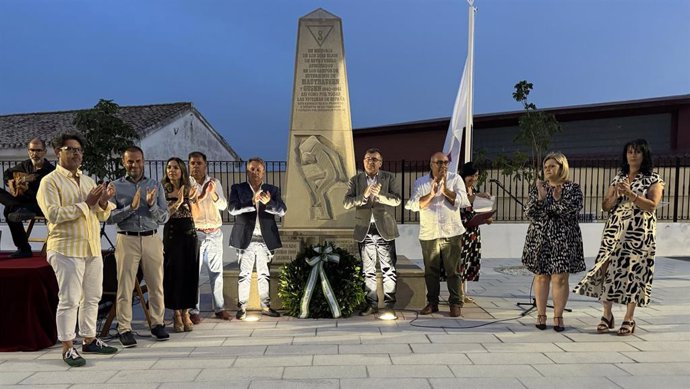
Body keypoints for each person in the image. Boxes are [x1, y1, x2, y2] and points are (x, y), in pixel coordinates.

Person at [37, 132, 118, 367]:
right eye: (70, 149)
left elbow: (101, 213)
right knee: (70, 299)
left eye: (79, 150)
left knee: (92, 296)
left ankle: (89, 339)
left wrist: (103, 201)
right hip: (65, 248)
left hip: (92, 247)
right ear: (57, 152)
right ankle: (67, 347)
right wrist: (88, 203)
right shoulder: (49, 182)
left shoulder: (87, 180)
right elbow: (54, 214)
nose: (75, 153)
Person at [574, 139, 664, 336]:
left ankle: (629, 318)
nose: (633, 155)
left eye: (637, 152)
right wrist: (615, 196)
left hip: (639, 233)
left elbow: (652, 205)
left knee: (634, 273)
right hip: (614, 231)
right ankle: (607, 315)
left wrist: (631, 194)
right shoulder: (618, 178)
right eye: (630, 152)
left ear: (644, 155)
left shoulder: (654, 179)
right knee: (606, 269)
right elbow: (605, 207)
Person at [109, 146, 170, 347]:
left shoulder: (155, 185)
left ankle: (157, 323)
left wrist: (151, 205)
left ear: (143, 161)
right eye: (130, 161)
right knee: (125, 286)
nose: (134, 165)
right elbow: (108, 217)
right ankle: (124, 328)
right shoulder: (115, 186)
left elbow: (164, 217)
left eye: (137, 161)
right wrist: (131, 208)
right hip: (127, 239)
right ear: (123, 163)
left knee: (156, 284)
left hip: (151, 238)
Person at [522, 152, 585, 332]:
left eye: (552, 166)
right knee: (541, 276)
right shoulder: (538, 188)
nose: (548, 170)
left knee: (560, 277)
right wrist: (542, 198)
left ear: (561, 167)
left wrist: (553, 202)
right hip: (540, 237)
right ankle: (541, 315)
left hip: (564, 239)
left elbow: (569, 211)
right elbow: (530, 213)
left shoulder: (573, 188)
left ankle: (558, 316)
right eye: (546, 167)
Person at [405, 152, 470, 317]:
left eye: (446, 162)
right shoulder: (421, 182)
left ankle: (455, 303)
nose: (443, 166)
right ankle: (432, 303)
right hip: (429, 233)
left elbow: (464, 201)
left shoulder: (456, 179)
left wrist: (445, 190)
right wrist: (432, 194)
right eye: (439, 162)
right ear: (431, 164)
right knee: (431, 271)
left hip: (452, 231)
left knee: (453, 270)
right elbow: (413, 204)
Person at [343, 148, 401, 318]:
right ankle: (371, 304)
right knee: (368, 271)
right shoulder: (356, 180)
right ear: (363, 161)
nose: (371, 162)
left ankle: (389, 305)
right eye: (368, 158)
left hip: (385, 230)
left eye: (375, 159)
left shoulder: (389, 177)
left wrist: (380, 195)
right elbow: (346, 203)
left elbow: (397, 200)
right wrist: (364, 195)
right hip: (365, 230)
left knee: (388, 269)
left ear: (380, 163)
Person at [229, 157, 286, 320]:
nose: (255, 172)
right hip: (245, 238)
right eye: (252, 169)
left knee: (264, 274)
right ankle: (242, 306)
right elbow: (232, 209)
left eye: (258, 170)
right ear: (247, 171)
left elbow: (283, 211)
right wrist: (251, 202)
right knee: (244, 274)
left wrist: (269, 203)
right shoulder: (238, 188)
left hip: (265, 239)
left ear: (263, 172)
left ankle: (266, 306)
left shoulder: (272, 190)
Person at [188, 151, 230, 322]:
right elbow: (190, 204)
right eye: (193, 163)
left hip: (214, 232)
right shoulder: (187, 184)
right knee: (194, 273)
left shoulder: (215, 182)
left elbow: (223, 205)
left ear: (205, 165)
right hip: (196, 232)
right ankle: (193, 310)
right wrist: (201, 192)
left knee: (216, 272)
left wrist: (212, 193)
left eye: (199, 163)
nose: (196, 166)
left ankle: (219, 308)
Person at [161, 158, 200, 332]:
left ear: (182, 170)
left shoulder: (189, 188)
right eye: (169, 167)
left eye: (175, 167)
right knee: (174, 273)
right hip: (172, 233)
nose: (172, 170)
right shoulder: (163, 189)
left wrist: (193, 199)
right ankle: (176, 313)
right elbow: (163, 215)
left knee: (189, 273)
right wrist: (179, 201)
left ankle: (186, 312)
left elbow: (196, 212)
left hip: (189, 233)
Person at [1, 138, 55, 258]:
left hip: (39, 203)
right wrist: (11, 182)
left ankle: (24, 249)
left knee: (8, 211)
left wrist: (28, 181)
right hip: (22, 202)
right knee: (10, 209)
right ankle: (16, 208)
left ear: (45, 152)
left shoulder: (50, 170)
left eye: (38, 150)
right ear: (28, 151)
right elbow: (8, 173)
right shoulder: (25, 165)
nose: (35, 154)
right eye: (32, 150)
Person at [458, 162, 493, 303]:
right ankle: (458, 294)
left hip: (473, 232)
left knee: (468, 262)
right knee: (460, 263)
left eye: (476, 175)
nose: (473, 178)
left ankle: (462, 293)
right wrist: (479, 196)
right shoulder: (459, 189)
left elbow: (477, 211)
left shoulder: (474, 189)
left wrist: (486, 219)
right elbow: (461, 204)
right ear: (464, 175)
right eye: (471, 175)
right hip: (462, 232)